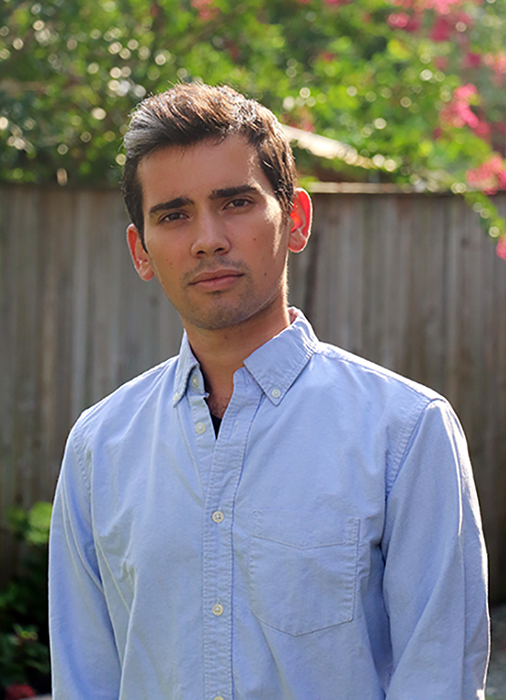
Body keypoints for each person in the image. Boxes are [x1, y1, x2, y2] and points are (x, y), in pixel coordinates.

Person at [49, 83, 489, 699]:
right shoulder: (99, 449)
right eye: (173, 214)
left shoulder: (406, 433)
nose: (208, 239)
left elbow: (437, 679)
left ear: (297, 220)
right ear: (141, 251)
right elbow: (84, 679)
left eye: (235, 202)